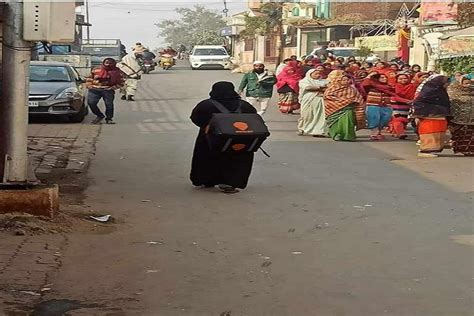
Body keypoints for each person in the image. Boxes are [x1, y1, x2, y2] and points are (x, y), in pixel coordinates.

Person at [190, 82, 257, 193]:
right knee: (238, 160)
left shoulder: (206, 105)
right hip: (239, 140)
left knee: (206, 158)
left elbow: (195, 118)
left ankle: (206, 180)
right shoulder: (244, 105)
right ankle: (231, 183)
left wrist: (207, 126)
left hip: (211, 139)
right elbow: (254, 118)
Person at [413, 74, 451, 157]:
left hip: (440, 115)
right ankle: (425, 151)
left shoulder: (440, 91)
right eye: (445, 83)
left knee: (438, 132)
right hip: (429, 116)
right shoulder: (428, 91)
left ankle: (434, 149)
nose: (447, 85)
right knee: (430, 132)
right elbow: (419, 102)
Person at [323, 71, 365, 141]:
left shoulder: (352, 89)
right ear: (339, 80)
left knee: (348, 122)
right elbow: (327, 97)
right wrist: (344, 101)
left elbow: (358, 98)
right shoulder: (332, 88)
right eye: (344, 80)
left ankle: (348, 136)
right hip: (334, 109)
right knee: (335, 123)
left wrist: (353, 101)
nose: (346, 81)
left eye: (348, 80)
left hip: (348, 109)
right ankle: (336, 134)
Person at [86, 58, 124, 124]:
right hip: (95, 89)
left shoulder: (117, 71)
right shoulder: (96, 69)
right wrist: (89, 85)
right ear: (103, 63)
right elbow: (89, 78)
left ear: (114, 64)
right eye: (107, 63)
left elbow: (122, 82)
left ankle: (109, 119)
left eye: (110, 63)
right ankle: (99, 115)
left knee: (109, 105)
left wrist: (113, 88)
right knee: (91, 103)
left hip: (108, 90)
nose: (108, 64)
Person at [362, 73, 396, 140]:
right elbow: (364, 84)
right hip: (373, 105)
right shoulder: (370, 86)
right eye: (382, 77)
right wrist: (369, 76)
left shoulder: (389, 87)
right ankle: (374, 133)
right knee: (374, 119)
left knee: (385, 119)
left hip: (386, 105)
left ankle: (379, 131)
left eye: (385, 77)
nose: (384, 79)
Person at [297, 69, 328, 137]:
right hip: (308, 100)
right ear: (310, 74)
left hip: (320, 100)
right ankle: (302, 128)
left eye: (319, 74)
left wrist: (320, 88)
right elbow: (308, 87)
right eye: (315, 74)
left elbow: (329, 87)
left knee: (319, 116)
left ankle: (318, 131)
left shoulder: (323, 81)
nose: (318, 75)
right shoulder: (304, 81)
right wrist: (320, 88)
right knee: (307, 115)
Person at [448, 76, 474, 156]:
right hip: (458, 119)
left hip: (472, 119)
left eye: (469, 83)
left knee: (470, 135)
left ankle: (470, 150)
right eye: (466, 83)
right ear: (461, 83)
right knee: (459, 135)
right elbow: (452, 104)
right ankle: (460, 149)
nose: (468, 85)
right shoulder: (454, 92)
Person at [389, 73, 417, 139]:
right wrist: (407, 101)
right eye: (400, 79)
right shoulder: (393, 86)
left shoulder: (412, 86)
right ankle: (400, 133)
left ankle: (396, 131)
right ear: (397, 79)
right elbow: (393, 96)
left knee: (405, 120)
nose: (403, 80)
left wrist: (411, 101)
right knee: (397, 119)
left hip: (408, 106)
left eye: (405, 78)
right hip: (396, 106)